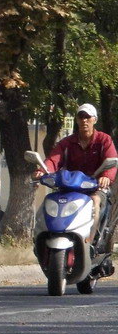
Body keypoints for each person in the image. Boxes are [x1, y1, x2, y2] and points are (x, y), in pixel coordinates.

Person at [33, 103, 117, 249]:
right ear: (77, 120)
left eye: (87, 117)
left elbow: (112, 160)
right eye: (81, 116)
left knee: (95, 201)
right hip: (70, 187)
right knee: (49, 202)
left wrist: (106, 177)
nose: (84, 120)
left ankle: (92, 240)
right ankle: (40, 239)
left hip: (95, 186)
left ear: (94, 119)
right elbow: (54, 159)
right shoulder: (67, 143)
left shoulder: (104, 140)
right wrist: (42, 170)